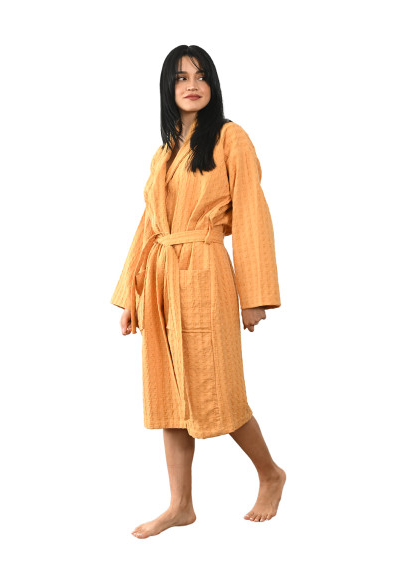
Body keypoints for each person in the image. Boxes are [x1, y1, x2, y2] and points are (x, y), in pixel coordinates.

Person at [110, 45, 286, 539]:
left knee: (219, 390)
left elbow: (251, 213)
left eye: (202, 76)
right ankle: (180, 505)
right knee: (169, 392)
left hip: (206, 273)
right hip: (162, 280)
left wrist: (254, 296)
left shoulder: (231, 138)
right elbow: (149, 226)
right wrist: (131, 294)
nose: (193, 85)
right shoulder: (163, 152)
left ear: (213, 86)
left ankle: (271, 474)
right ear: (168, 88)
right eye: (182, 77)